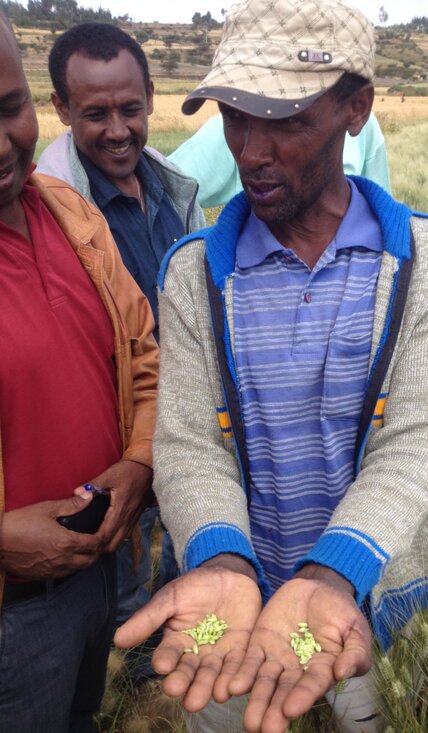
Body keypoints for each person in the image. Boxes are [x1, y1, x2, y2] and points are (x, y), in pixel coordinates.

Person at [115, 1, 428, 732]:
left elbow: (416, 439)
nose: (251, 150)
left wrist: (331, 572)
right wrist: (221, 561)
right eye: (235, 116)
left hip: (360, 598)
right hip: (229, 611)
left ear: (355, 108)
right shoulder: (194, 275)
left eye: (284, 118)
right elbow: (189, 442)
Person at [0, 13, 158, 732]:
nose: (3, 144)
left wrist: (139, 459)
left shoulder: (68, 211)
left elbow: (145, 356)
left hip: (99, 570)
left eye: (9, 109)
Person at [36, 22, 205, 665]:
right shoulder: (56, 213)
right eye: (95, 113)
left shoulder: (168, 187)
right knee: (124, 560)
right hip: (119, 434)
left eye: (130, 109)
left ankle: (158, 649)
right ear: (60, 109)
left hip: (186, 417)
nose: (118, 130)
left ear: (152, 97)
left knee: (183, 539)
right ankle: (130, 665)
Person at [168, 111, 391, 208]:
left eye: (290, 123)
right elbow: (165, 189)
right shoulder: (230, 129)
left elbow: (380, 206)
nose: (252, 156)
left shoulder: (364, 126)